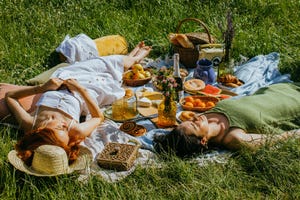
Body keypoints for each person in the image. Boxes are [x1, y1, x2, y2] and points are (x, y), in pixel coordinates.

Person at [3, 41, 152, 165]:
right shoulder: (75, 131)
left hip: (65, 76)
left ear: (42, 133)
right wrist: (81, 90)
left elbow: (10, 96)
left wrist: (42, 88)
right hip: (88, 89)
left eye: (59, 130)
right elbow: (97, 117)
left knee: (108, 62)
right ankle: (136, 57)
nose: (63, 126)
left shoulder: (30, 123)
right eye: (64, 131)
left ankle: (131, 58)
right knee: (115, 73)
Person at [154, 82, 300, 158]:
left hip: (277, 90)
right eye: (194, 124)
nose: (195, 117)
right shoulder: (234, 137)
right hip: (295, 104)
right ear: (203, 140)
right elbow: (280, 137)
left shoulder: (207, 116)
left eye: (191, 119)